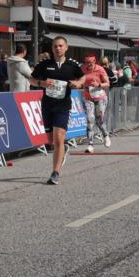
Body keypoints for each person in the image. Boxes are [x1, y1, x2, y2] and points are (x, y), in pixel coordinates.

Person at [29, 37, 85, 185]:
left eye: (60, 46)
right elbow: (31, 79)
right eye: (55, 46)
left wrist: (78, 83)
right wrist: (41, 83)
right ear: (52, 49)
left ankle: (55, 172)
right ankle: (64, 148)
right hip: (47, 105)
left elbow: (83, 77)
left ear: (66, 47)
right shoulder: (45, 64)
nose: (58, 48)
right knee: (50, 141)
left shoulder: (72, 65)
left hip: (63, 105)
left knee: (59, 137)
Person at [81, 54, 110, 153]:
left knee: (99, 119)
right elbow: (79, 80)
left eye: (90, 63)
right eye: (87, 63)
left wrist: (98, 85)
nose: (88, 65)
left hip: (100, 97)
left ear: (94, 62)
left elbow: (107, 83)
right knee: (90, 119)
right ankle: (90, 145)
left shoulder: (100, 69)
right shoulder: (83, 69)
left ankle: (106, 135)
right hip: (88, 98)